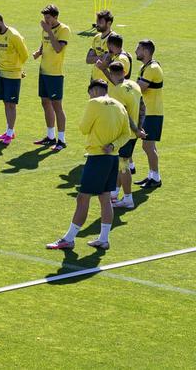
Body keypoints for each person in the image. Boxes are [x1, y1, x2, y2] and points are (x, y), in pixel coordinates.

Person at [47, 80, 130, 251]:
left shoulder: (94, 103)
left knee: (82, 198)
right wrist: (113, 146)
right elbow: (126, 134)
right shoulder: (120, 106)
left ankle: (69, 239)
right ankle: (104, 239)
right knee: (105, 198)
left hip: (97, 158)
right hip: (113, 159)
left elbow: (84, 128)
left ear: (94, 91)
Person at [102, 61, 145, 209]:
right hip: (133, 135)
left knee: (123, 166)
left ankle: (128, 199)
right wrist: (140, 128)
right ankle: (115, 193)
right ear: (124, 72)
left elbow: (125, 114)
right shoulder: (134, 85)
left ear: (112, 74)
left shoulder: (116, 90)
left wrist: (135, 130)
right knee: (122, 164)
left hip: (125, 134)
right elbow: (142, 107)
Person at [32, 5, 71, 151]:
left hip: (55, 74)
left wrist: (48, 31)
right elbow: (45, 43)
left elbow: (58, 48)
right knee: (45, 103)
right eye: (44, 17)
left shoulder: (64, 30)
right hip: (43, 72)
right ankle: (50, 136)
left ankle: (61, 140)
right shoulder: (46, 28)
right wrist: (39, 52)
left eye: (48, 17)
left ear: (55, 17)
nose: (45, 20)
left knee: (57, 106)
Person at [0, 13, 29, 144]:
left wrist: (18, 69)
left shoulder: (14, 36)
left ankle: (10, 132)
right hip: (1, 73)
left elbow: (25, 55)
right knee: (6, 103)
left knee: (11, 105)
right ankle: (9, 130)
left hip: (12, 75)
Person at [135, 40, 164, 189]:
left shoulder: (152, 68)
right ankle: (152, 175)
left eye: (138, 48)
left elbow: (140, 88)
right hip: (149, 111)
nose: (136, 51)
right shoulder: (145, 67)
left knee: (147, 146)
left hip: (152, 113)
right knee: (149, 146)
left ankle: (156, 177)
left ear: (146, 51)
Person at [86, 10, 114, 82]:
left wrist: (95, 58)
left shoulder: (113, 39)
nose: (97, 24)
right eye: (97, 22)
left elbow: (105, 61)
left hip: (107, 80)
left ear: (109, 23)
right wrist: (101, 57)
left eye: (100, 22)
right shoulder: (97, 37)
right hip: (94, 78)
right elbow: (88, 59)